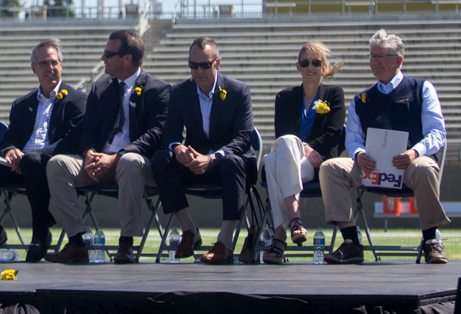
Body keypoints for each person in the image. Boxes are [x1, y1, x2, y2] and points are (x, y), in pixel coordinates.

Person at [320, 29, 450, 264]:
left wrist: (414, 152)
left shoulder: (421, 89)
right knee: (331, 167)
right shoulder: (362, 99)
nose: (375, 62)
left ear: (398, 60)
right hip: (372, 166)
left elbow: (437, 133)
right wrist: (358, 154)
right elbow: (352, 139)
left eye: (381, 56)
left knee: (423, 167)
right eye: (372, 56)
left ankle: (431, 239)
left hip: (410, 166)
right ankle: (351, 241)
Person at [46, 30, 170, 264]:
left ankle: (127, 244)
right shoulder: (99, 88)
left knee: (129, 161)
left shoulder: (159, 89)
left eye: (108, 54)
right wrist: (89, 154)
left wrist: (118, 156)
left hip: (138, 165)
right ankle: (77, 242)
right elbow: (89, 130)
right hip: (99, 162)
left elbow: (156, 135)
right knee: (57, 164)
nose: (103, 59)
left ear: (127, 59)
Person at [0, 39, 87, 262]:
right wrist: (10, 151)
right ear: (33, 68)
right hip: (21, 164)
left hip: (52, 167)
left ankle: (40, 233)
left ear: (61, 64)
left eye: (54, 62)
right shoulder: (21, 104)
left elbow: (71, 142)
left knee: (32, 161)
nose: (50, 68)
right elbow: (9, 138)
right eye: (44, 63)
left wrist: (32, 157)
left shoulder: (77, 100)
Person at [152, 36, 255, 265]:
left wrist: (212, 158)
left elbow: (243, 138)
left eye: (204, 65)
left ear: (218, 63)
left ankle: (225, 242)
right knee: (161, 158)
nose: (198, 71)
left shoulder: (239, 91)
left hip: (226, 164)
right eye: (193, 65)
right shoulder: (178, 92)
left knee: (233, 162)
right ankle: (189, 230)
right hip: (194, 162)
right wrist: (177, 148)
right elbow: (169, 134)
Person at [262, 42, 346, 264]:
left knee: (271, 162)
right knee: (275, 155)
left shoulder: (335, 94)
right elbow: (282, 134)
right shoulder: (284, 97)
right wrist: (303, 147)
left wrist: (308, 148)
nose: (311, 67)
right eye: (305, 62)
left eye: (316, 62)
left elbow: (334, 133)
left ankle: (279, 237)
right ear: (297, 67)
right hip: (293, 158)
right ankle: (295, 218)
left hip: (318, 163)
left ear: (324, 66)